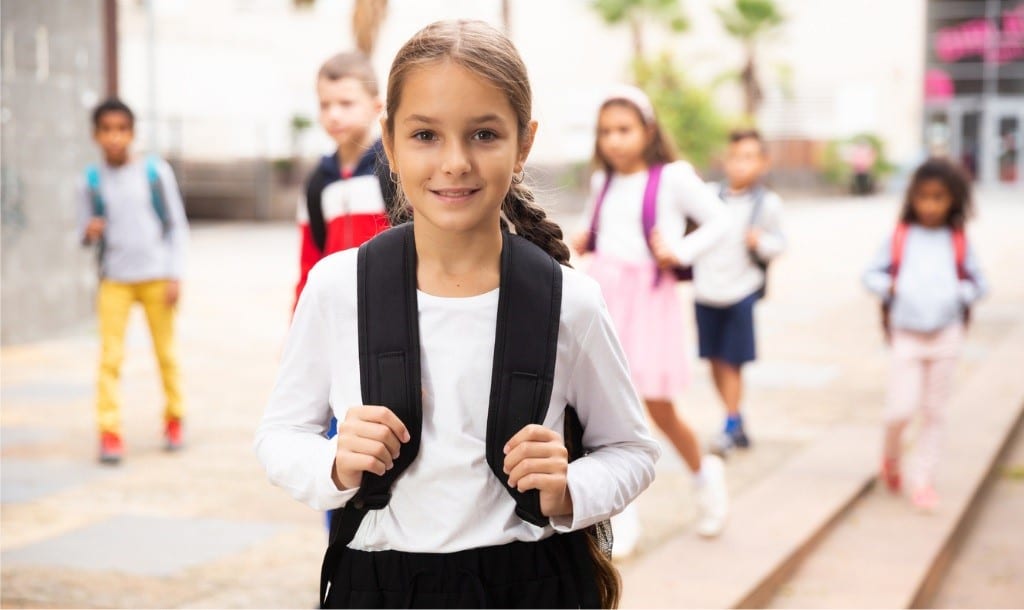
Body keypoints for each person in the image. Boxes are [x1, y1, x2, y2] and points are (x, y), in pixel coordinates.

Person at [256, 20, 659, 608]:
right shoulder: (338, 288)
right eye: (425, 135)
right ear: (388, 142)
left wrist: (570, 486)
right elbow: (280, 436)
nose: (455, 162)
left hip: (535, 586)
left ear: (524, 143)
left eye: (484, 135)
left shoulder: (570, 300)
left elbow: (632, 450)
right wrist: (335, 464)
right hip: (377, 587)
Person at [571, 85, 730, 539]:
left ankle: (706, 477)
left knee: (657, 406)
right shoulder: (603, 182)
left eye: (623, 129)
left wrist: (680, 250)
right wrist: (584, 238)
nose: (614, 140)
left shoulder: (674, 177)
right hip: (605, 295)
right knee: (603, 408)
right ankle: (622, 514)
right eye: (605, 132)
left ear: (648, 130)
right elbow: (594, 227)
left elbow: (720, 220)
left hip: (650, 298)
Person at [863, 157, 987, 511]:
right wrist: (893, 286)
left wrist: (956, 293)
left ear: (953, 199)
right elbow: (869, 275)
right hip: (907, 334)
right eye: (923, 197)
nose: (930, 205)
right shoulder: (900, 236)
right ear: (912, 197)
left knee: (934, 412)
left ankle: (923, 480)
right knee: (899, 410)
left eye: (939, 197)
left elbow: (980, 282)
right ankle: (891, 457)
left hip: (946, 334)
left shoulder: (958, 239)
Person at [78, 98, 189, 464]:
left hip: (157, 277)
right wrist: (89, 232)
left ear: (132, 133)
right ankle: (109, 432)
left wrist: (175, 274)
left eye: (121, 129)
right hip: (115, 280)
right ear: (96, 135)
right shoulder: (91, 180)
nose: (114, 137)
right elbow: (81, 232)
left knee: (166, 354)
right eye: (107, 130)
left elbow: (177, 226)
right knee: (109, 358)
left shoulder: (156, 173)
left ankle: (174, 418)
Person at [697, 129, 785, 456]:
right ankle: (736, 420)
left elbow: (780, 243)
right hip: (706, 290)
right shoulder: (708, 195)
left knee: (732, 361)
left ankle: (731, 424)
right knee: (715, 361)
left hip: (741, 291)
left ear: (763, 163)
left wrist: (759, 242)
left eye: (749, 157)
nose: (740, 164)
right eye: (735, 156)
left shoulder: (768, 204)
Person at [295, 51, 398, 304]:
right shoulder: (317, 183)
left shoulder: (396, 170)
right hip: (337, 311)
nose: (334, 115)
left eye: (346, 103)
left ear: (376, 108)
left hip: (390, 305)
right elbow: (309, 261)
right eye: (325, 104)